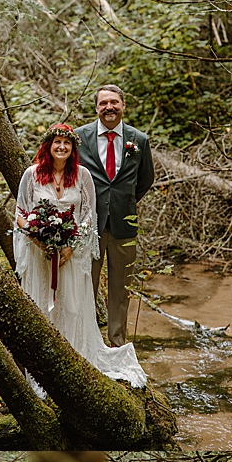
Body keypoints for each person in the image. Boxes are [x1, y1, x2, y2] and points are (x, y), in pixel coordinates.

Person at [14, 124, 147, 388]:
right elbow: (20, 213)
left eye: (67, 143)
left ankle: (74, 358)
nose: (61, 147)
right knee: (43, 306)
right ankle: (44, 363)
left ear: (73, 148)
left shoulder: (82, 176)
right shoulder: (32, 175)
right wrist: (39, 239)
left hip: (71, 256)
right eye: (57, 143)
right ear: (48, 146)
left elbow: (88, 216)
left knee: (72, 307)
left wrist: (69, 247)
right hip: (41, 256)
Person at [75, 84, 154, 347]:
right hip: (89, 225)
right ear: (96, 107)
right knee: (86, 284)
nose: (109, 107)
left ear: (123, 105)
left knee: (121, 290)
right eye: (103, 103)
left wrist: (123, 203)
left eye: (114, 102)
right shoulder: (79, 137)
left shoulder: (139, 140)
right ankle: (86, 340)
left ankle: (117, 343)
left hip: (124, 225)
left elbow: (145, 180)